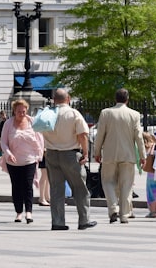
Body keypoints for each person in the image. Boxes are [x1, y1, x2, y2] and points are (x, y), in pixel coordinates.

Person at [44, 88, 96, 231]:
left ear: (54, 100)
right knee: (80, 188)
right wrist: (85, 153)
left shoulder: (48, 113)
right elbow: (83, 135)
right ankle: (84, 220)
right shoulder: (73, 114)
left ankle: (58, 222)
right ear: (69, 98)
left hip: (52, 153)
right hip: (70, 154)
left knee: (56, 189)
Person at [93, 87, 145, 224]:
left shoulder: (106, 113)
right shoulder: (134, 114)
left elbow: (99, 135)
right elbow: (139, 137)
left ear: (115, 99)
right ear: (127, 99)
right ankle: (124, 214)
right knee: (126, 185)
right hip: (128, 154)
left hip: (109, 154)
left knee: (108, 182)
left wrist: (97, 152)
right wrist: (142, 155)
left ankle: (113, 208)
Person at [0, 98, 44, 223]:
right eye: (19, 111)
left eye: (23, 111)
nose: (21, 114)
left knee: (28, 186)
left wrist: (39, 156)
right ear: (14, 111)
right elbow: (3, 142)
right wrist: (8, 153)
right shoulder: (8, 123)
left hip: (29, 159)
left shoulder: (32, 122)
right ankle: (18, 212)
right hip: (13, 161)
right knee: (16, 186)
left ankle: (28, 212)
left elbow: (40, 140)